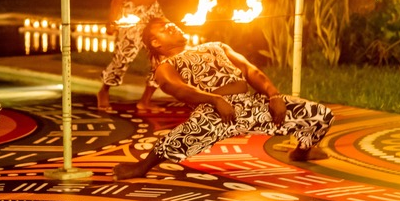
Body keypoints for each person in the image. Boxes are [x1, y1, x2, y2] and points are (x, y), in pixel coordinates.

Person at [113, 18, 334, 180]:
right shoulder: (166, 66)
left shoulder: (215, 46)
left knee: (321, 115)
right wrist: (215, 100)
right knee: (180, 137)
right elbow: (177, 88)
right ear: (156, 43)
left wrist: (273, 94)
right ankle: (143, 166)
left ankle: (302, 151)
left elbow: (249, 70)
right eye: (163, 29)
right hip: (215, 111)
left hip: (251, 105)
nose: (171, 26)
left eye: (171, 23)